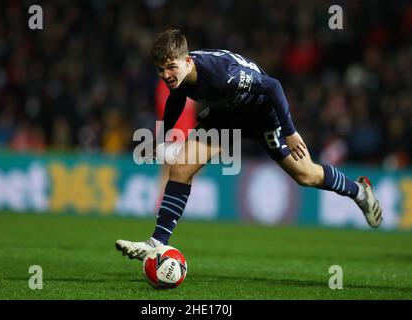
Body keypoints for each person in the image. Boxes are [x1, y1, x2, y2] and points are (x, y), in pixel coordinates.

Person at [116, 29, 382, 260]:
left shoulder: (222, 75)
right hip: (227, 115)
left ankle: (359, 191)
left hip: (262, 115)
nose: (166, 74)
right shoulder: (181, 76)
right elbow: (176, 98)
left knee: (306, 175)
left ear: (187, 61)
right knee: (180, 168)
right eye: (160, 70)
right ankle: (157, 243)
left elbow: (273, 86)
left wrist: (289, 131)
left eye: (171, 67)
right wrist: (163, 138)